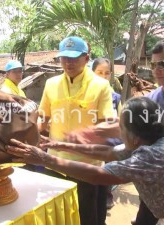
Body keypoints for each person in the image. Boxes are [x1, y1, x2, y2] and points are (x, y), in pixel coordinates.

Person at [7, 96, 164, 225]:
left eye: (120, 125)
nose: (117, 129)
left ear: (134, 134)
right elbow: (108, 153)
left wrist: (43, 159)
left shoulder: (156, 155)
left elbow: (100, 174)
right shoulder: (156, 139)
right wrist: (57, 145)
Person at [68, 40, 164, 225]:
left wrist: (117, 135)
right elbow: (128, 133)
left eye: (162, 64)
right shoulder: (152, 98)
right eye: (153, 65)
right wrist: (93, 137)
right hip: (155, 180)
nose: (156, 70)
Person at [38, 36, 115, 225]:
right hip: (54, 163)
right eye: (64, 57)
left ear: (86, 58)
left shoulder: (101, 86)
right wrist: (35, 132)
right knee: (57, 216)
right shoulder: (51, 84)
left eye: (73, 57)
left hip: (86, 166)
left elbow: (108, 123)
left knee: (88, 217)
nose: (68, 62)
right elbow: (43, 117)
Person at [91, 57, 122, 210]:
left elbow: (120, 120)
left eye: (107, 73)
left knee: (106, 175)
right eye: (100, 72)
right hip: (89, 144)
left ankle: (107, 197)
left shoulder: (115, 97)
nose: (103, 76)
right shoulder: (86, 95)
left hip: (109, 143)